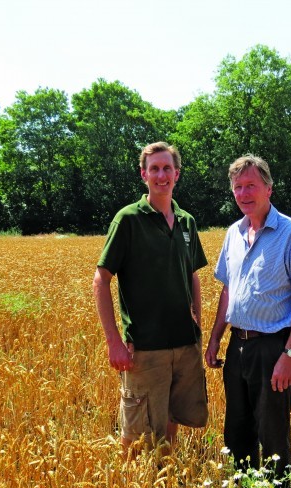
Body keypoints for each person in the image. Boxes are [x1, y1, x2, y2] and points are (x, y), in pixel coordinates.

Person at [205, 154, 291, 484]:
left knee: (272, 434)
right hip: (237, 347)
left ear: (269, 189)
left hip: (273, 348)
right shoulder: (233, 233)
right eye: (238, 187)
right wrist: (216, 336)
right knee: (237, 430)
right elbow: (228, 289)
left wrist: (289, 354)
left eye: (251, 186)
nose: (244, 194)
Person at [93, 141, 208, 457]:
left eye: (167, 168)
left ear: (177, 174)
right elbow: (101, 279)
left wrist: (198, 323)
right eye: (154, 169)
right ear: (144, 174)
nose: (161, 175)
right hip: (144, 348)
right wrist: (114, 341)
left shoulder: (187, 221)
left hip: (184, 344)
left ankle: (164, 485)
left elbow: (194, 275)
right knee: (136, 430)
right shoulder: (128, 219)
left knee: (171, 420)